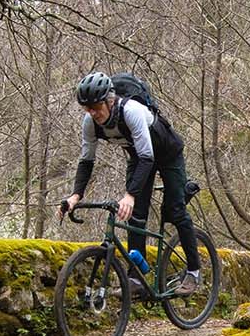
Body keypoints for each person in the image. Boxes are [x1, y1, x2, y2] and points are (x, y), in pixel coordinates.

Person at [60, 72, 200, 291]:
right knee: (134, 216)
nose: (92, 113)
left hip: (167, 153)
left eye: (96, 106)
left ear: (109, 100)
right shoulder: (90, 122)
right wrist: (76, 195)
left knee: (175, 211)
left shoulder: (131, 111)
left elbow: (148, 156)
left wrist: (130, 195)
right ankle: (137, 278)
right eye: (87, 108)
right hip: (139, 157)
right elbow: (86, 161)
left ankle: (193, 272)